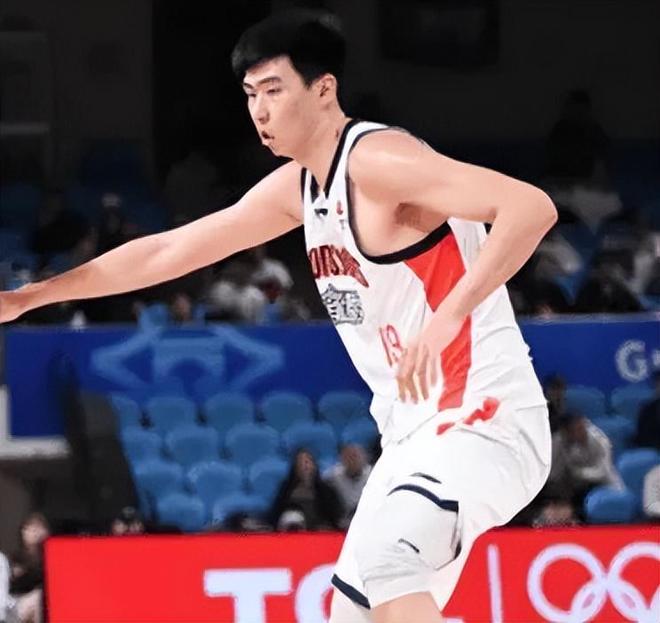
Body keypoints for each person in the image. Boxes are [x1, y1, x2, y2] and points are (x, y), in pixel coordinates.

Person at [0, 10, 557, 622]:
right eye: (250, 95)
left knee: (389, 564)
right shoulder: (300, 188)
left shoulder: (379, 161)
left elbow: (529, 208)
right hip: (412, 435)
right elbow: (168, 251)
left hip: (483, 417)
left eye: (274, 91)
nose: (259, 111)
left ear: (323, 90)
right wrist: (32, 296)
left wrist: (449, 315)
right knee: (353, 613)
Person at [548, 413, 623, 512]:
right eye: (576, 429)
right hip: (569, 486)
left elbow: (602, 472)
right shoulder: (558, 441)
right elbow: (553, 475)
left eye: (582, 427)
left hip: (601, 485)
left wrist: (577, 472)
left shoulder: (600, 440)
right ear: (567, 432)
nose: (582, 432)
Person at [270, 449, 343, 531]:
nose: (305, 466)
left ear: (314, 465)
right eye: (300, 462)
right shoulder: (286, 489)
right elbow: (275, 514)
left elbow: (335, 517)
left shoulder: (326, 490)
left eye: (307, 461)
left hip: (318, 533)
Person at [324, 444, 372, 529]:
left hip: (367, 519)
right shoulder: (334, 476)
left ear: (364, 458)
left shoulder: (373, 475)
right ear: (342, 460)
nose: (352, 461)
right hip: (343, 522)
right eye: (348, 457)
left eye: (355, 456)